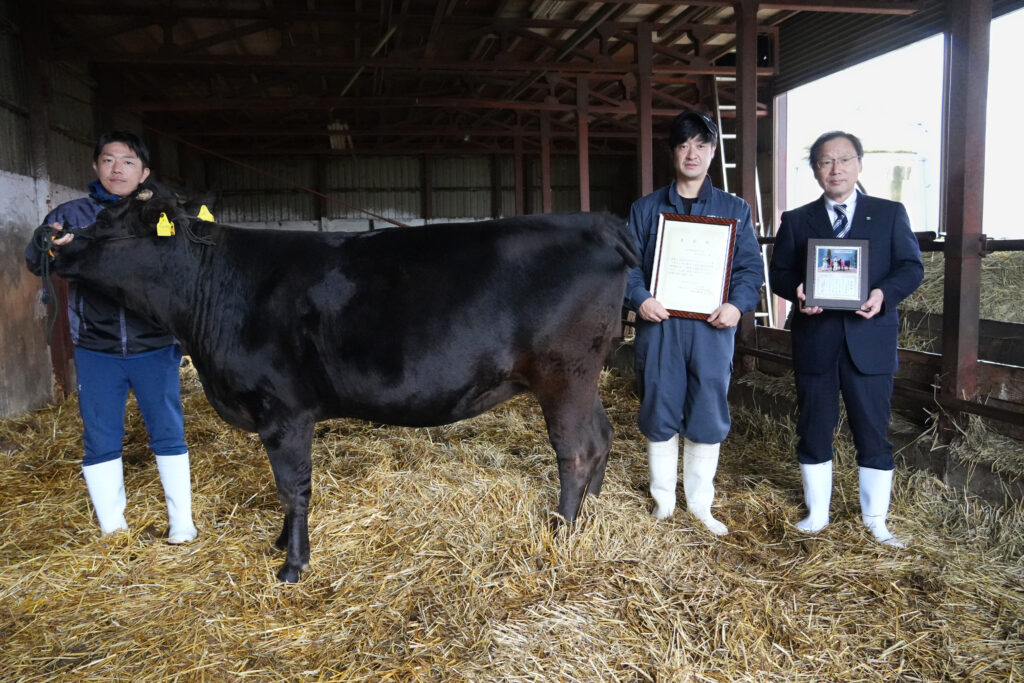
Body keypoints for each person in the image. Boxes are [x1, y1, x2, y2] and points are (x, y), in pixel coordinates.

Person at [25, 130, 198, 544]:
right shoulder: (72, 214)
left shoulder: (163, 215)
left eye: (127, 161)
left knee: (168, 430)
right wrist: (48, 246)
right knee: (101, 435)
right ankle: (113, 531)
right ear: (95, 166)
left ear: (145, 172)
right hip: (96, 348)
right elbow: (35, 261)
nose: (117, 169)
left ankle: (182, 525)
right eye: (108, 160)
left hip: (154, 343)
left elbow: (190, 266)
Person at [768, 131, 923, 548]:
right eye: (824, 161)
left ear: (859, 164)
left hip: (869, 340)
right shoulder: (797, 220)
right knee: (814, 426)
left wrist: (883, 294)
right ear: (815, 169)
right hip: (816, 339)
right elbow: (779, 272)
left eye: (843, 160)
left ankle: (876, 520)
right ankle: (817, 514)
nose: (835, 169)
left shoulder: (889, 213)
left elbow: (911, 267)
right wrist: (798, 291)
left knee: (873, 431)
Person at [625, 110, 764, 534]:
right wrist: (640, 298)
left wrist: (737, 307)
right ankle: (663, 502)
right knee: (659, 405)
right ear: (673, 152)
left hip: (712, 327)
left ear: (713, 151)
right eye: (684, 144)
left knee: (707, 409)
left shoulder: (734, 209)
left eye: (701, 145)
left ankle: (701, 505)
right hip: (661, 325)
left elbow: (749, 270)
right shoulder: (646, 209)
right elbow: (627, 266)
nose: (692, 153)